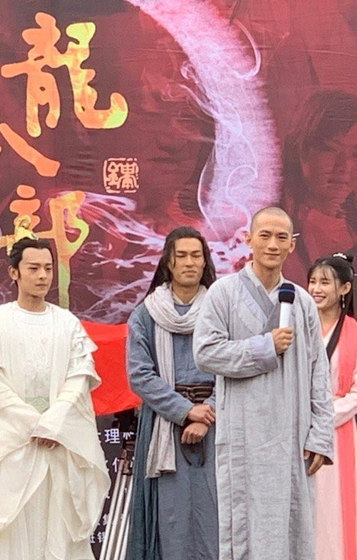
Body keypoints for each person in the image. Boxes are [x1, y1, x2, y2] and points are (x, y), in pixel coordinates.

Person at [192, 206, 334, 559]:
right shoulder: (223, 293)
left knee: (292, 527)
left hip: (293, 436)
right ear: (248, 240)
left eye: (281, 238)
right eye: (265, 236)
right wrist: (264, 347)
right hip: (243, 436)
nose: (273, 245)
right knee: (245, 530)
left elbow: (319, 372)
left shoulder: (301, 301)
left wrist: (320, 435)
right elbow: (206, 353)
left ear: (292, 245)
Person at [0, 236, 109, 560]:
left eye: (47, 268)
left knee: (58, 529)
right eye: (33, 268)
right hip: (13, 446)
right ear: (14, 273)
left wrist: (54, 422)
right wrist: (32, 423)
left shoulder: (67, 324)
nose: (42, 276)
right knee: (15, 534)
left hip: (59, 444)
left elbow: (79, 378)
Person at [126, 226, 219, 560]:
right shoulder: (145, 314)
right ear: (168, 262)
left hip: (215, 426)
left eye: (196, 255)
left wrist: (206, 414)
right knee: (169, 522)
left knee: (214, 520)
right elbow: (140, 375)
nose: (189, 263)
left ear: (205, 261)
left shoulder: (221, 311)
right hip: (164, 428)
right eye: (182, 255)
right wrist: (185, 411)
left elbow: (234, 371)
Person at [306, 253, 357, 560]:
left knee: (336, 513)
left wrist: (320, 417)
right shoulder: (297, 330)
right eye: (312, 282)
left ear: (344, 288)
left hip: (337, 433)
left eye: (325, 282)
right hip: (296, 433)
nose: (316, 289)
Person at [281, 90, 357, 274]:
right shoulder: (279, 240)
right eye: (330, 149)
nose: (344, 166)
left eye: (356, 154)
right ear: (301, 151)